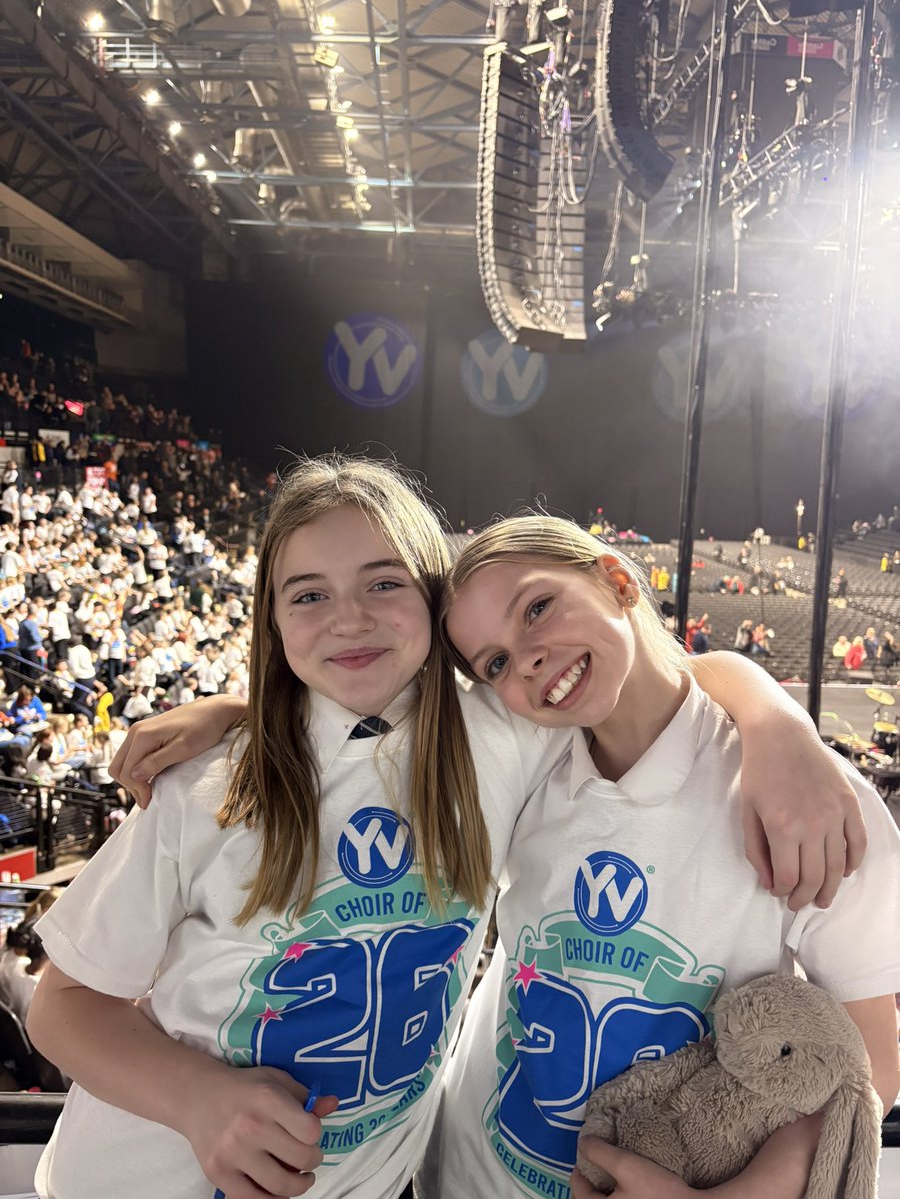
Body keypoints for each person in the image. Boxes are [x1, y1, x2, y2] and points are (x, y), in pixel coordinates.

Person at [90, 460, 866, 1199]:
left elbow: (642, 677)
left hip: (398, 1174)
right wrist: (241, 714)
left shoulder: (511, 736)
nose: (525, 663)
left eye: (384, 583)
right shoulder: (211, 785)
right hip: (391, 1172)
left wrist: (778, 725)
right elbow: (71, 1002)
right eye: (492, 662)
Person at [426, 515, 900, 1199]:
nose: (525, 656)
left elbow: (869, 1067)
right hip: (473, 1169)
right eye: (494, 662)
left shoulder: (807, 802)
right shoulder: (523, 757)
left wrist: (754, 1191)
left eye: (537, 607)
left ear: (618, 579)